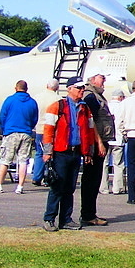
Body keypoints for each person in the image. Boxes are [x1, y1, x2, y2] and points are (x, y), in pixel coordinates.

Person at [41, 76, 103, 232]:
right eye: (78, 88)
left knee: (70, 188)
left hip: (76, 153)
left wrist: (88, 152)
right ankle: (49, 219)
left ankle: (66, 220)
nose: (82, 90)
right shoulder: (57, 106)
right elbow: (48, 130)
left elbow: (88, 132)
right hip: (60, 152)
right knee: (57, 187)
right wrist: (48, 152)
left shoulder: (85, 109)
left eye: (83, 88)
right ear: (69, 89)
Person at [0, 80, 37, 194]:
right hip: (26, 132)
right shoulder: (32, 102)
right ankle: (20, 186)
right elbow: (34, 118)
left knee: (6, 160)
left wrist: (5, 128)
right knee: (23, 160)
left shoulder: (10, 100)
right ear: (26, 89)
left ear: (16, 88)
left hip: (11, 132)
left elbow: (2, 116)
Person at [80, 73, 113, 226]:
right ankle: (88, 215)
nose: (104, 81)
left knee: (94, 179)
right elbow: (91, 121)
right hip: (95, 144)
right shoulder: (90, 97)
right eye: (101, 78)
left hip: (99, 142)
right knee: (91, 180)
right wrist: (99, 142)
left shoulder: (96, 95)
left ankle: (89, 213)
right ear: (92, 80)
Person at [32, 79, 60, 185]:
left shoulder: (37, 97)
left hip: (39, 128)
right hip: (52, 129)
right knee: (51, 154)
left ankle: (36, 176)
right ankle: (48, 176)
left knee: (39, 153)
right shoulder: (58, 99)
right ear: (57, 88)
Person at [103, 89, 126, 194]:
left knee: (104, 164)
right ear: (120, 97)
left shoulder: (106, 106)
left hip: (106, 139)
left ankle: (104, 187)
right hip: (118, 139)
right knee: (118, 164)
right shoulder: (123, 107)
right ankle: (117, 188)